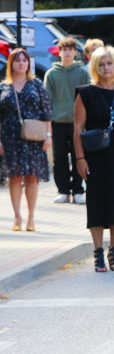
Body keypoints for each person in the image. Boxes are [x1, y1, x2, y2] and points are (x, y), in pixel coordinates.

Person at [0, 48, 53, 232]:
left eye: (24, 60)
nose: (21, 63)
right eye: (17, 60)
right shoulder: (2, 87)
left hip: (33, 137)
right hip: (10, 137)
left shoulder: (36, 85)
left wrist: (48, 135)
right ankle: (17, 215)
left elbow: (47, 112)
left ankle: (31, 216)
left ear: (28, 64)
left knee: (32, 177)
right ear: (11, 64)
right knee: (14, 177)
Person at [74, 46, 114, 272]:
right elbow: (78, 127)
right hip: (95, 156)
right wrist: (80, 158)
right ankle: (98, 251)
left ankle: (113, 251)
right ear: (95, 66)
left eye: (110, 63)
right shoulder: (86, 92)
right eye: (101, 63)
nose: (106, 68)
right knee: (97, 202)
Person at [44, 37, 91, 204]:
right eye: (64, 49)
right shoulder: (52, 73)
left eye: (71, 49)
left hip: (78, 122)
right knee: (60, 157)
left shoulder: (83, 73)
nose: (67, 52)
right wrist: (47, 122)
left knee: (78, 155)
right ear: (59, 52)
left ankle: (78, 190)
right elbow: (47, 100)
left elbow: (88, 98)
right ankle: (63, 190)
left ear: (75, 52)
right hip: (58, 121)